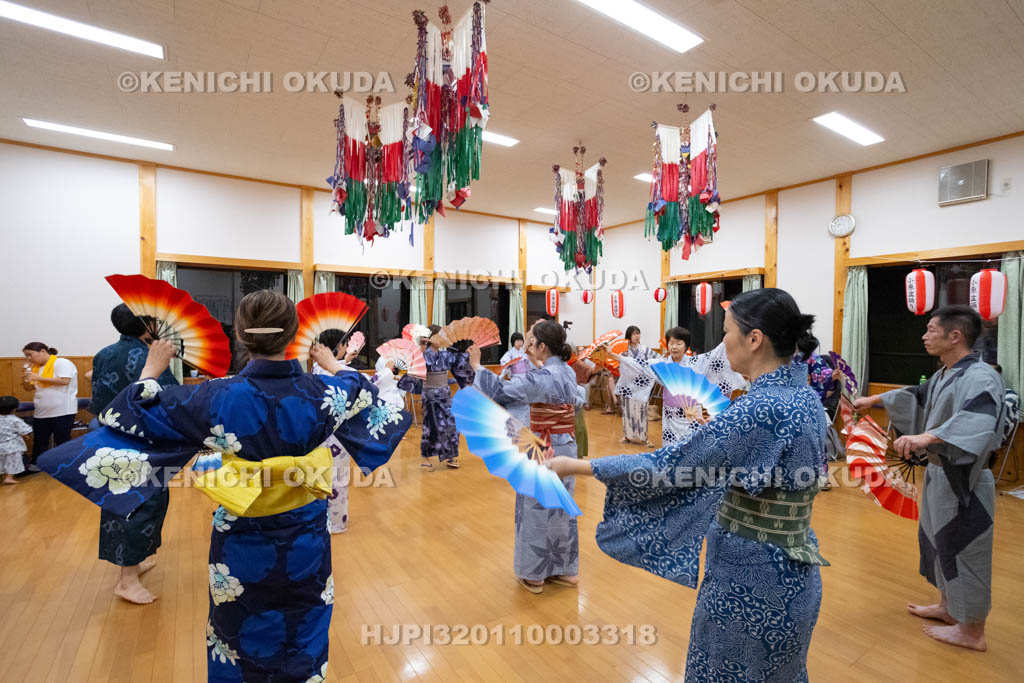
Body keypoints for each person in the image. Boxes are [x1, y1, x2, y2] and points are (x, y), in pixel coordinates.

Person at [39, 290, 410, 681]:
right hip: (306, 534)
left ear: (241, 336)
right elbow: (366, 391)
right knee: (305, 621)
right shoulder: (326, 394)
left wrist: (150, 371)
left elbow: (128, 412)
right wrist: (333, 363)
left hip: (241, 531)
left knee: (237, 627)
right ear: (294, 335)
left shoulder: (214, 396)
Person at [548, 288, 828, 681]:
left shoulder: (761, 407)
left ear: (754, 339)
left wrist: (574, 464)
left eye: (727, 331)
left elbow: (670, 466)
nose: (723, 341)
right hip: (794, 570)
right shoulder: (805, 397)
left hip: (751, 581)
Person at [854, 305, 1004, 652]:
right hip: (939, 474)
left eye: (931, 329)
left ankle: (973, 631)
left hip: (965, 479)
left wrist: (927, 438)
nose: (924, 335)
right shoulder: (945, 373)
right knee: (939, 541)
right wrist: (873, 399)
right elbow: (915, 396)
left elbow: (977, 420)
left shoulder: (982, 377)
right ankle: (950, 608)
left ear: (955, 336)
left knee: (967, 548)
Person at [470, 320, 583, 593]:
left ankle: (534, 574)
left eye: (532, 341)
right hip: (566, 445)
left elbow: (502, 391)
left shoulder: (543, 377)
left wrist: (476, 366)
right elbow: (577, 400)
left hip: (543, 447)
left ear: (543, 346)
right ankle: (566, 570)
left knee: (533, 507)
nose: (529, 345)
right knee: (560, 505)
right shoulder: (566, 371)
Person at [90, 304, 180, 604]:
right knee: (143, 506)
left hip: (110, 436)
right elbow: (168, 400)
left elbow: (98, 399)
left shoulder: (103, 354)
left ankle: (135, 562)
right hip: (144, 442)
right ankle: (127, 580)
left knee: (120, 503)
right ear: (147, 324)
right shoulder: (149, 357)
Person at [398, 325, 474, 470]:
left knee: (452, 424)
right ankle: (426, 458)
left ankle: (451, 456)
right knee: (431, 427)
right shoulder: (424, 355)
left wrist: (467, 352)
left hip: (445, 396)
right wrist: (420, 350)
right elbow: (415, 369)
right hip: (431, 397)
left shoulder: (445, 355)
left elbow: (460, 362)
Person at [308, 328, 358, 534]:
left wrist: (345, 360)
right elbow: (361, 385)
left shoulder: (317, 370)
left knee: (319, 476)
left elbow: (338, 368)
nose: (347, 347)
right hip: (338, 434)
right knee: (338, 479)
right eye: (345, 344)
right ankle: (337, 523)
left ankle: (320, 518)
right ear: (339, 346)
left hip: (317, 432)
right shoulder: (342, 373)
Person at [21, 342, 78, 473]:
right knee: (39, 441)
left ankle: (66, 468)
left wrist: (38, 377)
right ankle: (35, 467)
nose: (29, 358)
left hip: (62, 410)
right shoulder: (35, 368)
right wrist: (26, 379)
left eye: (30, 354)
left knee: (62, 441)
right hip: (41, 411)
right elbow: (29, 387)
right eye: (26, 356)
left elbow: (64, 381)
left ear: (42, 351)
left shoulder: (62, 363)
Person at [794, 334, 842, 490]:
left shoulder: (813, 359)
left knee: (816, 442)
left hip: (808, 403)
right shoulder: (785, 356)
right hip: (795, 402)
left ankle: (820, 478)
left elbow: (823, 376)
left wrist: (831, 376)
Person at [604, 326, 659, 446]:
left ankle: (644, 438)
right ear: (629, 336)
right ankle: (627, 435)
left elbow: (656, 360)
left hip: (641, 386)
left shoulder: (645, 350)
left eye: (638, 333)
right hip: (628, 385)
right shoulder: (624, 351)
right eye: (634, 334)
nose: (637, 336)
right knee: (627, 411)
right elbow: (620, 365)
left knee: (641, 411)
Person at [0, 396, 31, 483]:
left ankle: (3, 477)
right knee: (13, 462)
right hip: (12, 447)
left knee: (1, 461)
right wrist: (26, 436)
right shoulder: (16, 420)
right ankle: (9, 477)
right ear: (14, 409)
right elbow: (25, 432)